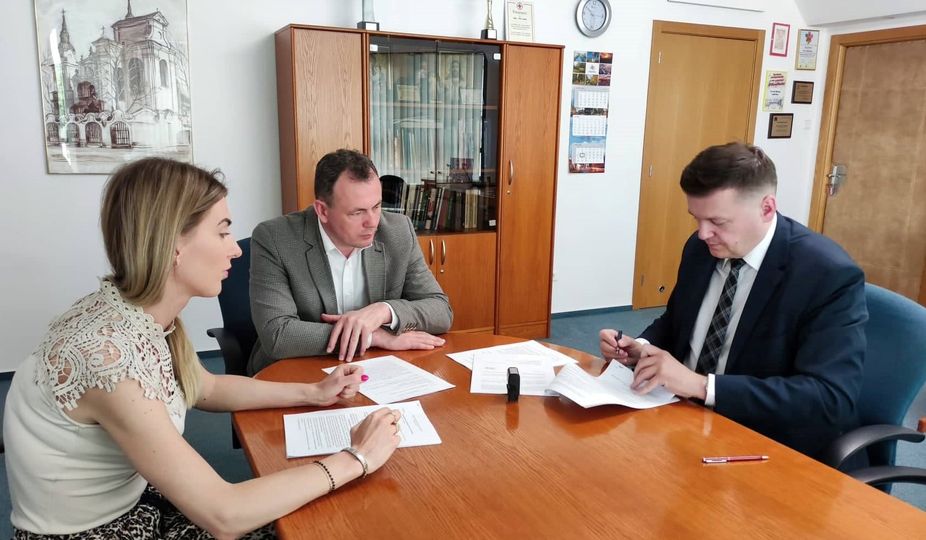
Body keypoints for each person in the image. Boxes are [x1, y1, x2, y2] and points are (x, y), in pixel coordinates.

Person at [3, 158, 401, 539]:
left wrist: (313, 393)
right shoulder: (108, 358)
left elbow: (203, 387)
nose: (236, 250)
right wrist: (357, 457)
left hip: (139, 505)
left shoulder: (136, 315)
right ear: (173, 243)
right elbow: (224, 515)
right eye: (223, 232)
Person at [599, 142, 867, 459]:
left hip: (764, 443)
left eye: (718, 222)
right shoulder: (701, 249)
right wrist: (641, 347)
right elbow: (677, 322)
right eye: (696, 218)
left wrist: (701, 386)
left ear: (766, 208)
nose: (703, 233)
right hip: (683, 419)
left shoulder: (826, 274)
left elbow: (829, 399)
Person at [248, 149, 452, 374]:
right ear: (322, 210)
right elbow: (277, 335)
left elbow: (441, 311)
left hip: (376, 368)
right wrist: (373, 336)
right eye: (357, 213)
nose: (372, 222)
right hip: (297, 369)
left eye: (377, 207)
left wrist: (383, 311)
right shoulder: (275, 239)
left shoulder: (398, 231)